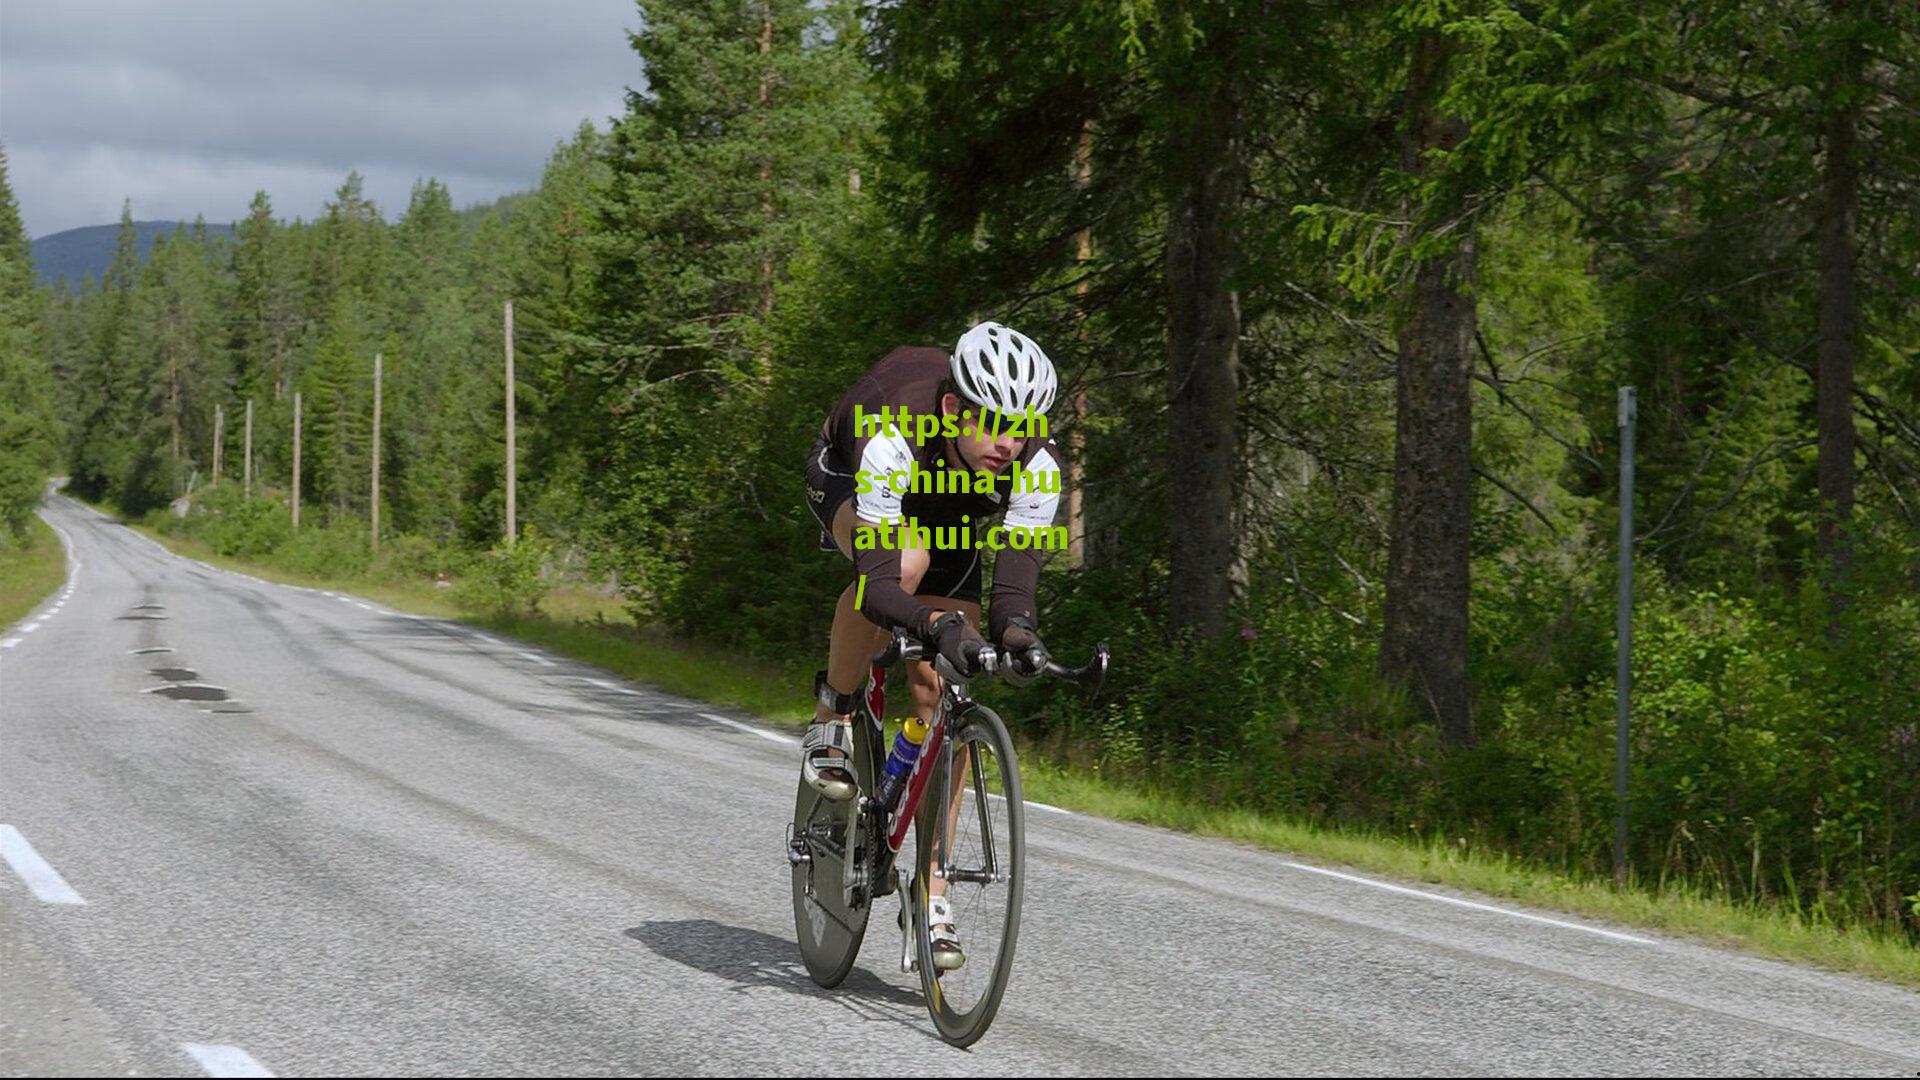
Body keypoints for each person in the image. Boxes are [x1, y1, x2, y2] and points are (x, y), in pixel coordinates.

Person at [800, 320, 1062, 970]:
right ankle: (832, 718)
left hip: (950, 511)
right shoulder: (893, 434)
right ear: (952, 408)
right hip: (852, 481)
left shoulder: (1035, 464)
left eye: (1024, 425)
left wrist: (1019, 638)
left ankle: (931, 888)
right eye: (996, 423)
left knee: (940, 687)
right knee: (906, 565)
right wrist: (933, 623)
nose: (1012, 441)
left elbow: (1014, 593)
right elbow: (884, 584)